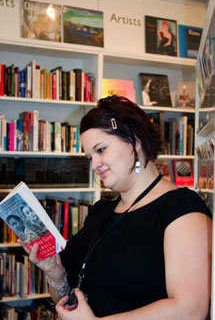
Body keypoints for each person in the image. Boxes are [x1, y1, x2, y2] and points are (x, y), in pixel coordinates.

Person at [20, 95, 212, 319]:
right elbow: (67, 297)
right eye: (90, 156)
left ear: (135, 141)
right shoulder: (101, 211)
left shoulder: (181, 208)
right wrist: (54, 271)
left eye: (101, 150)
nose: (95, 165)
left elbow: (190, 309)